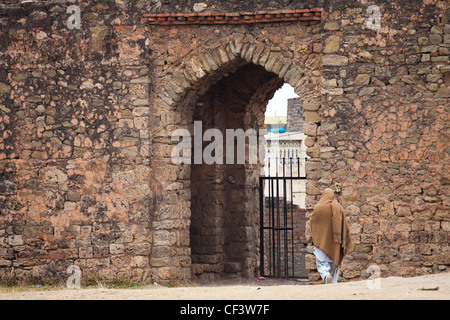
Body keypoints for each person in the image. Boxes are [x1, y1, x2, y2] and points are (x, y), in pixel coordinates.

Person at [310, 188, 354, 284]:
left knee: (322, 264)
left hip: (321, 242)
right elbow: (344, 225)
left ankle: (326, 275)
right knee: (335, 265)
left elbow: (313, 223)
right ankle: (333, 284)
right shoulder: (338, 208)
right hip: (335, 244)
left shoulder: (318, 208)